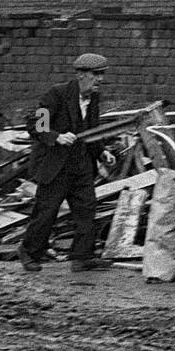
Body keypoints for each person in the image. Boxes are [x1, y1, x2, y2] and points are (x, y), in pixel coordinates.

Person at [19, 53, 116, 272]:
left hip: (81, 165)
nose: (100, 79)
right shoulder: (57, 95)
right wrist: (57, 137)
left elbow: (90, 131)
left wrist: (101, 152)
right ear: (81, 75)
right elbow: (36, 124)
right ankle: (29, 252)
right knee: (46, 212)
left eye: (102, 74)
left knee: (87, 210)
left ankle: (82, 257)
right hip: (56, 166)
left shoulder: (93, 100)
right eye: (96, 74)